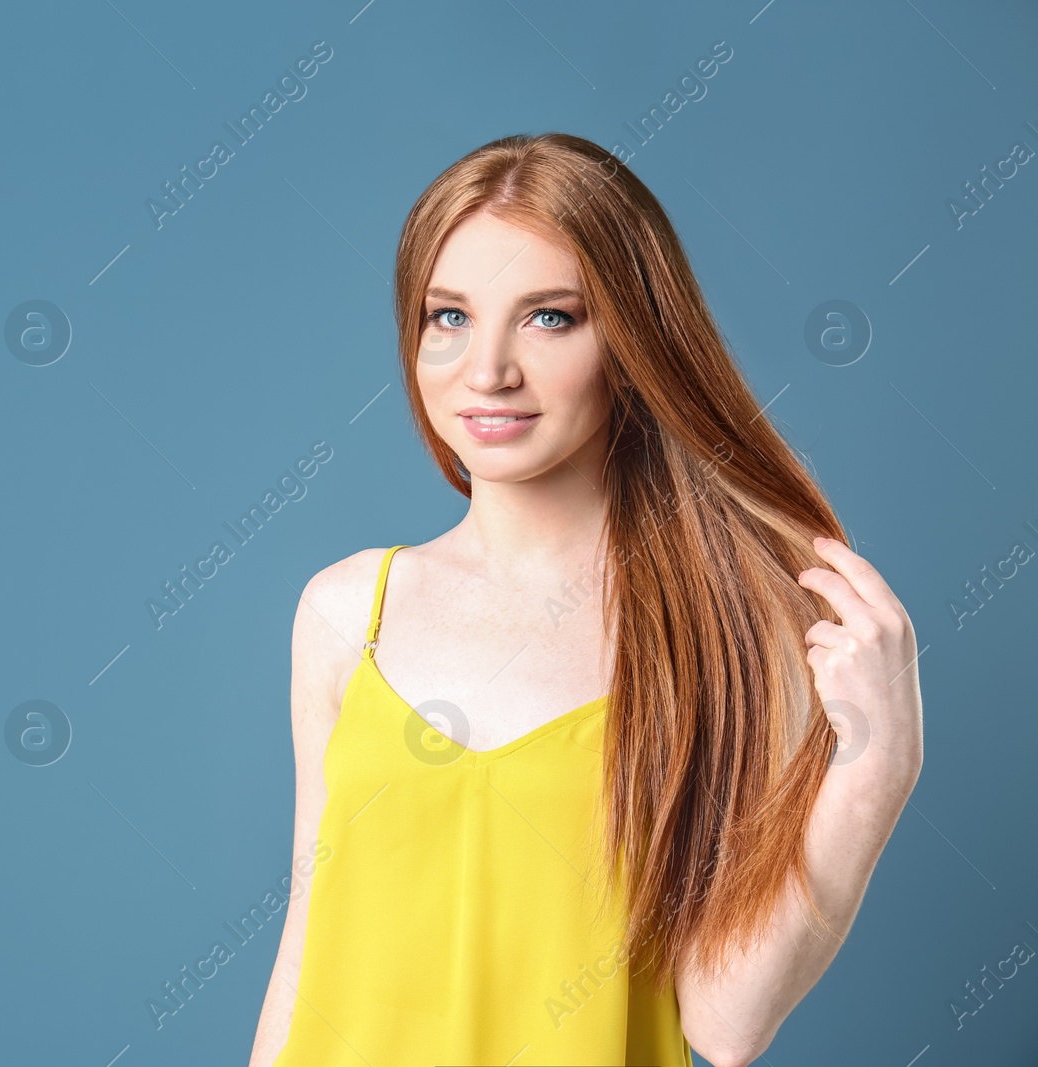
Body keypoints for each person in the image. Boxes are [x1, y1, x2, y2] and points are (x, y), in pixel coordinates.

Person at [247, 133, 924, 1067]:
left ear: (634, 339)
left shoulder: (726, 633)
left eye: (549, 318)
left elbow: (723, 1026)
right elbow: (307, 935)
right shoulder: (343, 612)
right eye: (449, 315)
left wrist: (877, 769)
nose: (486, 369)